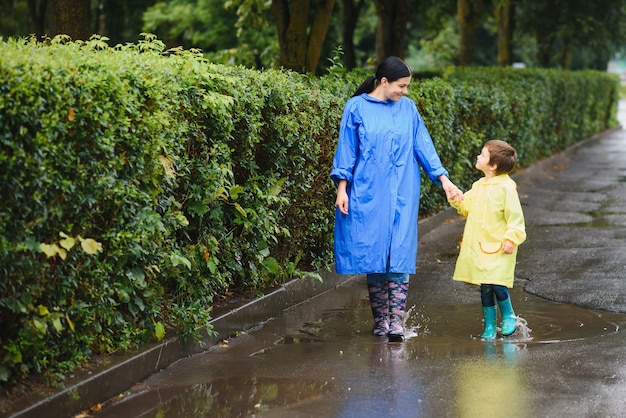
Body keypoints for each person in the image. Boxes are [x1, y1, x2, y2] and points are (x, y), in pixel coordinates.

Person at [330, 56, 462, 342]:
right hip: (367, 191)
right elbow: (347, 150)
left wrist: (444, 179)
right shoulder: (356, 108)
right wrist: (343, 188)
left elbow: (422, 144)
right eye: (401, 86)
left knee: (399, 252)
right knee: (375, 254)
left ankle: (397, 323)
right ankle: (381, 321)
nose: (405, 91)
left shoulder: (408, 109)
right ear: (384, 81)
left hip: (403, 189)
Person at [448, 140, 526, 340]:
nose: (477, 157)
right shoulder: (479, 186)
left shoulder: (506, 188)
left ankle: (508, 315)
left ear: (493, 165)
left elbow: (515, 217)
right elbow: (467, 207)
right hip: (481, 247)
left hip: (500, 247)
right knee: (485, 287)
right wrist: (457, 198)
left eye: (482, 155)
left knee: (497, 282)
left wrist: (511, 238)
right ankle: (490, 325)